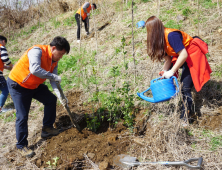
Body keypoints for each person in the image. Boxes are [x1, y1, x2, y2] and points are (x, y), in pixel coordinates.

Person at [7, 36, 70, 157]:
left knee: (51, 99)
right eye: (61, 54)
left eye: (63, 55)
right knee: (22, 115)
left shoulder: (54, 61)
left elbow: (53, 80)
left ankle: (47, 128)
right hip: (19, 85)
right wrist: (53, 76)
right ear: (53, 48)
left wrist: (61, 96)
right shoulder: (37, 51)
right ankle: (21, 146)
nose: (61, 57)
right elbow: (34, 69)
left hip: (34, 85)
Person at [145, 16, 212, 125]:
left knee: (184, 87)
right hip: (183, 57)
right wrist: (164, 72)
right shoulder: (161, 39)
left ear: (155, 30)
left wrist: (171, 72)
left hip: (192, 56)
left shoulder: (171, 35)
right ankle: (184, 115)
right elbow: (167, 59)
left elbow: (184, 54)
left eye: (149, 31)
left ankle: (184, 119)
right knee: (183, 85)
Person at [0, 36, 13, 113]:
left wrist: (7, 67)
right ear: (3, 41)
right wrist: (11, 65)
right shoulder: (1, 47)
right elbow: (5, 59)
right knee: (5, 89)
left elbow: (2, 64)